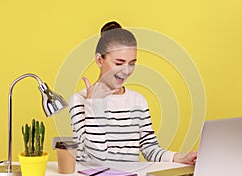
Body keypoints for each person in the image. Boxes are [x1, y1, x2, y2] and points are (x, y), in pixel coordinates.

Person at [69, 21, 197, 164]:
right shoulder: (79, 101)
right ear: (99, 60)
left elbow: (149, 148)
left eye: (132, 63)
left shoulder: (138, 100)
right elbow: (96, 159)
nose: (126, 71)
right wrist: (94, 104)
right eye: (119, 63)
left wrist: (180, 158)